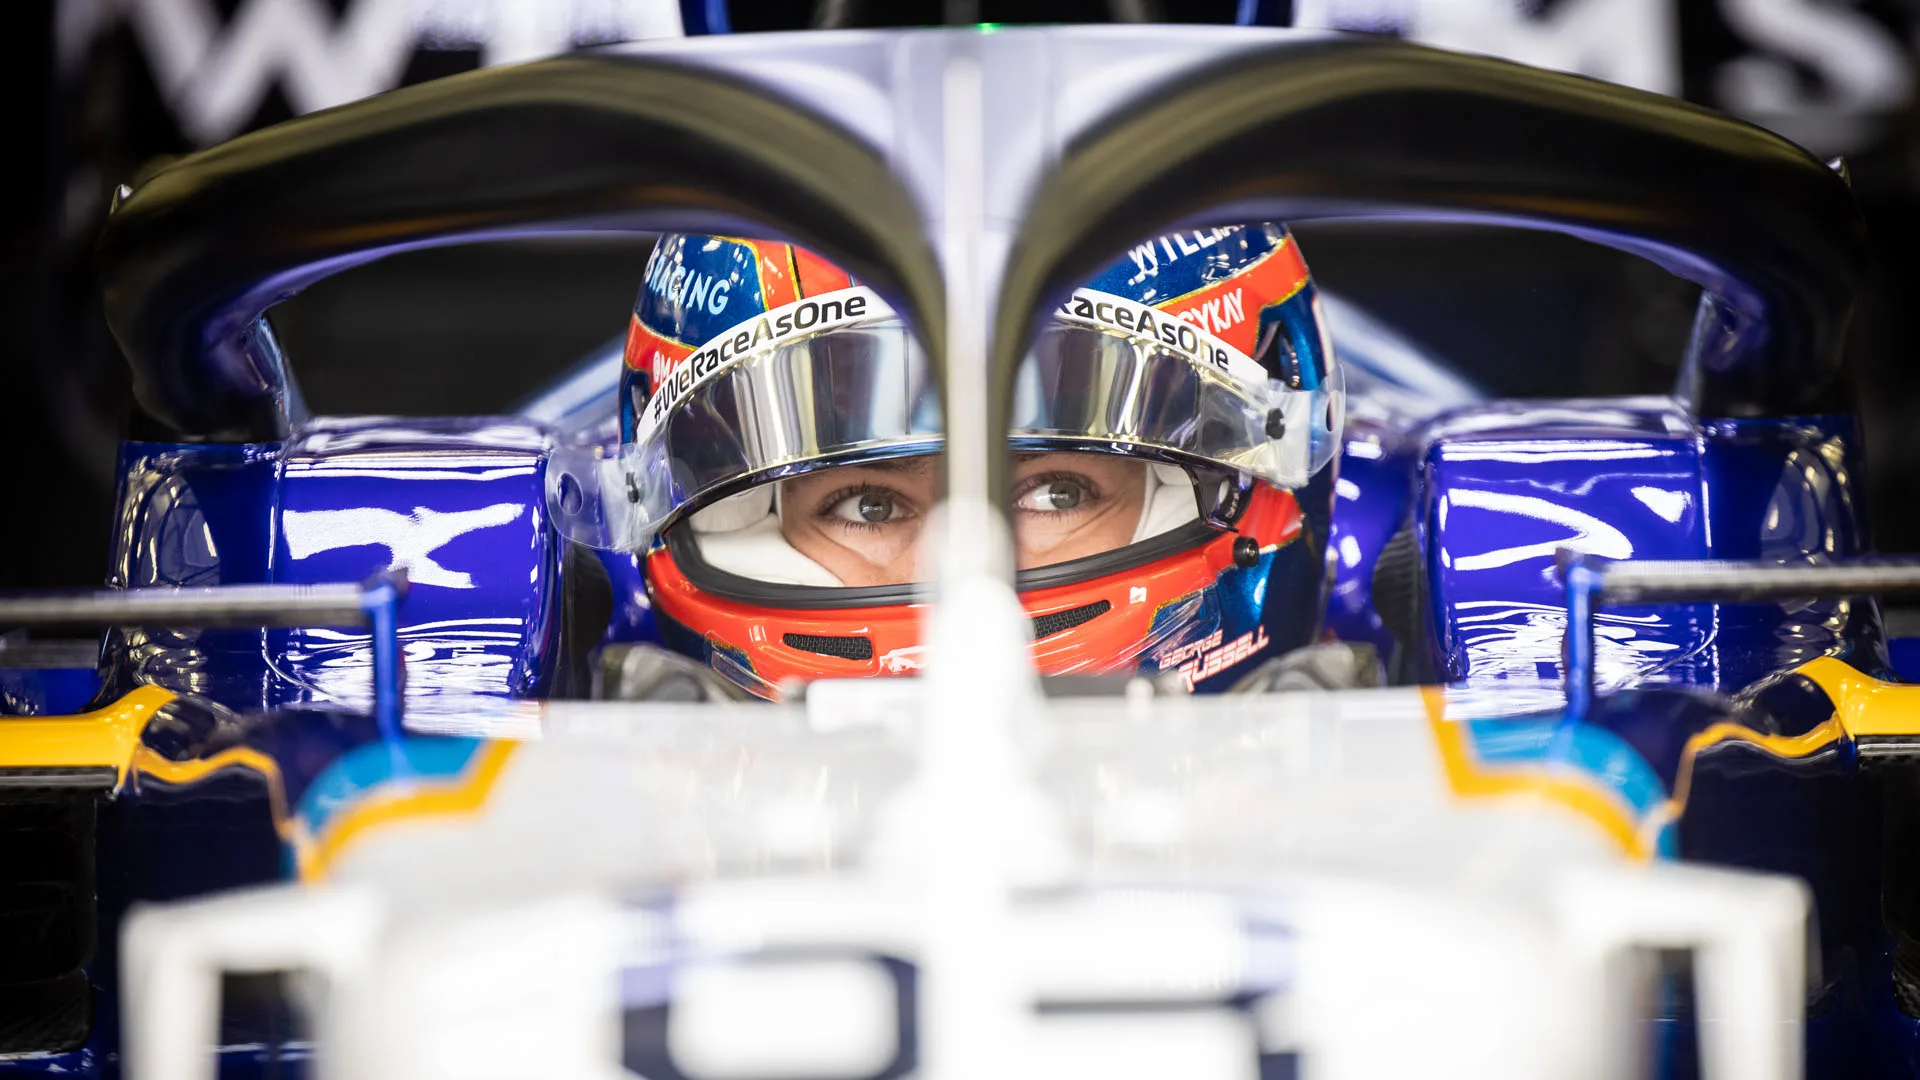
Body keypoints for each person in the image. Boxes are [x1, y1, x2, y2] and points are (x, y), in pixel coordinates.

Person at [577, 224, 1356, 698]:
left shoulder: (1401, 552)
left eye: (1055, 491)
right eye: (869, 506)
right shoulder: (591, 598)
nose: (959, 582)